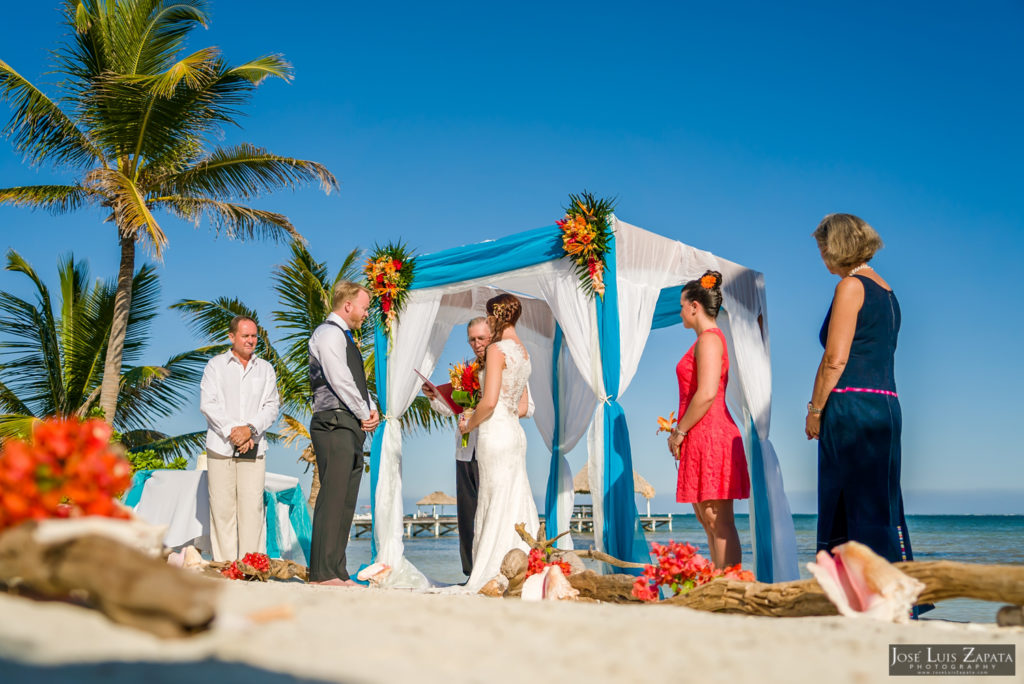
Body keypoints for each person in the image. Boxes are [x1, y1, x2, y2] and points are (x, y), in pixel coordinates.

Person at [805, 213, 917, 566]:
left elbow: (835, 359)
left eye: (823, 248)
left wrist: (815, 410)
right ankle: (892, 592)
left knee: (845, 501)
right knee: (880, 503)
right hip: (885, 405)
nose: (821, 256)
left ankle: (855, 593)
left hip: (851, 406)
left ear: (836, 247)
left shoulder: (851, 287)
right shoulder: (888, 293)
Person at [422, 317, 534, 577]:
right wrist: (435, 398)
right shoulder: (467, 370)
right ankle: (471, 572)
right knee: (468, 516)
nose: (476, 344)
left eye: (481, 338)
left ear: (492, 335)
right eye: (471, 339)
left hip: (494, 446)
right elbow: (451, 408)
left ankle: (495, 570)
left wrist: (489, 413)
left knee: (494, 510)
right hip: (465, 450)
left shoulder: (506, 362)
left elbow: (528, 407)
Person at [667, 270, 750, 569]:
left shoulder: (710, 340)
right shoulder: (703, 340)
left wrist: (679, 431)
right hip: (699, 434)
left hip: (712, 433)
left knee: (718, 519)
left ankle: (731, 587)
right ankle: (717, 583)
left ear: (694, 306)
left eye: (681, 305)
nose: (679, 312)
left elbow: (707, 393)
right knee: (706, 518)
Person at [457, 294, 539, 591]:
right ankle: (525, 566)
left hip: (495, 432)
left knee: (493, 501)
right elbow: (520, 406)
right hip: (515, 433)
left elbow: (489, 402)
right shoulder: (523, 353)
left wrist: (469, 422)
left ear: (495, 317)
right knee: (515, 497)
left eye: (488, 317)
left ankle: (492, 570)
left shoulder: (496, 351)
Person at [307, 280, 380, 586]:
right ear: (347, 305)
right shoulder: (327, 333)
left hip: (348, 424)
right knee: (332, 496)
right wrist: (365, 413)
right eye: (364, 307)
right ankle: (322, 573)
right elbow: (339, 379)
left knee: (346, 500)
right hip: (333, 423)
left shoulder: (346, 337)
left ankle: (337, 570)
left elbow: (354, 381)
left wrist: (371, 406)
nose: (366, 313)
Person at [199, 315, 280, 562]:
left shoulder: (265, 368)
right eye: (245, 335)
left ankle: (251, 564)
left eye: (254, 336)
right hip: (220, 446)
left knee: (252, 508)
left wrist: (250, 430)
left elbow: (272, 406)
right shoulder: (215, 365)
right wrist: (234, 433)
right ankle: (225, 565)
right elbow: (208, 404)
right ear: (232, 336)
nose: (251, 340)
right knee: (222, 509)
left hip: (254, 446)